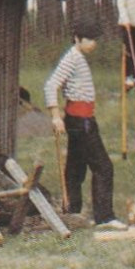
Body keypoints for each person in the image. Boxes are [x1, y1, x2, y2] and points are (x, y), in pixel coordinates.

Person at [43, 22, 125, 229]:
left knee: (75, 167)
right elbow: (51, 85)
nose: (94, 44)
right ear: (78, 39)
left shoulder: (78, 58)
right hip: (81, 121)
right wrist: (55, 115)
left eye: (95, 39)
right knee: (104, 167)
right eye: (90, 39)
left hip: (80, 118)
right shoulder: (72, 58)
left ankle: (72, 212)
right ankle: (104, 217)